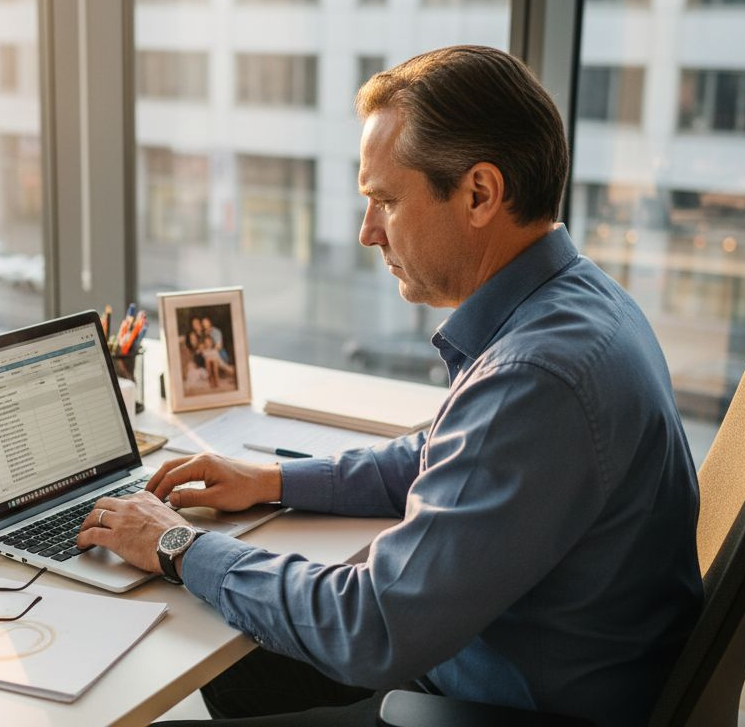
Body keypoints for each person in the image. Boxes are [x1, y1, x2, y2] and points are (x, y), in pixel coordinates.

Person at [75, 45, 702, 726]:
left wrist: (178, 545)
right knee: (239, 663)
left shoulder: (534, 377)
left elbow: (369, 628)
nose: (367, 231)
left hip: (500, 703)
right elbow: (444, 456)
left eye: (386, 201)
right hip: (515, 657)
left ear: (479, 194)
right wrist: (274, 481)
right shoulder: (579, 300)